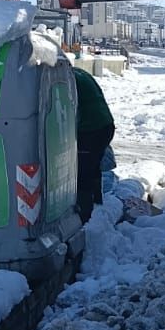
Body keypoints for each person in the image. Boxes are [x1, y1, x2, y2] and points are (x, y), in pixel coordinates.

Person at [73, 65, 115, 223]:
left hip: (91, 129)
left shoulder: (66, 79)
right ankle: (97, 203)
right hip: (106, 125)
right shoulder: (80, 72)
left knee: (83, 171)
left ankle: (85, 214)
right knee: (92, 166)